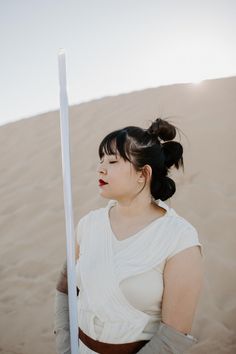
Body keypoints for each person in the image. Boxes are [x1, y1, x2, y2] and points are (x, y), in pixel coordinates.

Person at [53, 117, 204, 354]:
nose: (101, 168)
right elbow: (65, 289)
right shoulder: (88, 224)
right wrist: (64, 345)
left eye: (112, 161)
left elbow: (173, 335)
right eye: (101, 160)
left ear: (143, 174)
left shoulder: (179, 238)